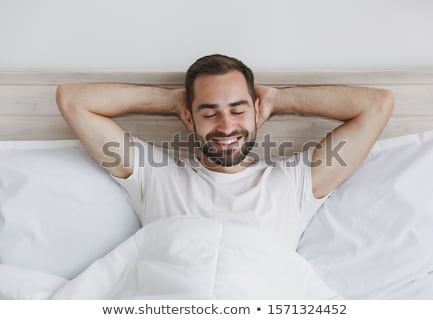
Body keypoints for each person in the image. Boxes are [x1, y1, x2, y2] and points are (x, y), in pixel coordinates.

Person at [56, 54, 394, 250]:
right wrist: (174, 101)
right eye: (209, 112)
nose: (226, 125)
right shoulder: (155, 176)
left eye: (237, 109)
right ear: (189, 117)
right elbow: (74, 100)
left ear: (255, 110)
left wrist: (277, 100)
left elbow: (377, 106)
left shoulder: (294, 183)